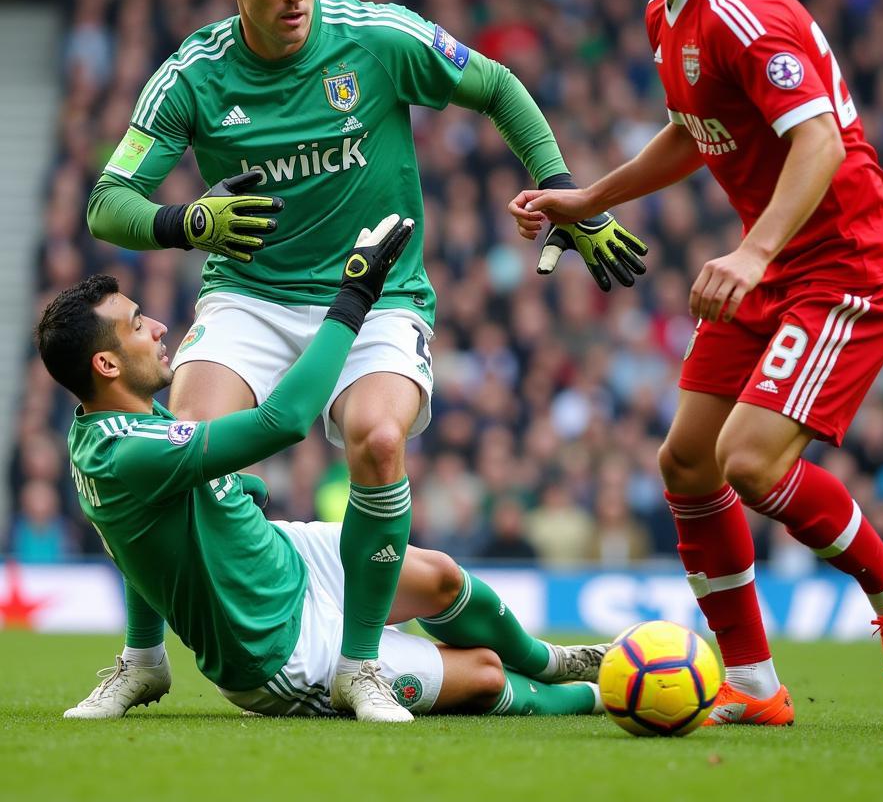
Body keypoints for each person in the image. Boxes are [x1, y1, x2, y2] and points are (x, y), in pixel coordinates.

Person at [86, 0, 645, 721]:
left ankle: (360, 665)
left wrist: (561, 185)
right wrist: (188, 221)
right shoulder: (193, 75)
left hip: (379, 294)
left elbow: (494, 85)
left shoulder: (377, 37)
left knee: (378, 440)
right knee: (185, 446)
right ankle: (142, 659)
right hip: (250, 296)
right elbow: (109, 200)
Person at [510, 0, 883, 724]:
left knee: (747, 460)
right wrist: (593, 199)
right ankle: (751, 683)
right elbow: (693, 130)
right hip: (782, 264)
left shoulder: (744, 5)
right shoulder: (668, 12)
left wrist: (751, 250)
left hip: (848, 264)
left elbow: (817, 138)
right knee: (689, 460)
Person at [40, 221, 606, 722]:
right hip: (280, 650)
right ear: (107, 364)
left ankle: (555, 660)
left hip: (283, 557)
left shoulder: (106, 428)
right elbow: (282, 422)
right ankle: (599, 697)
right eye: (138, 325)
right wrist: (353, 298)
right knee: (481, 672)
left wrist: (236, 487)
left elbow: (146, 539)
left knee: (442, 577)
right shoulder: (130, 454)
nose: (160, 326)